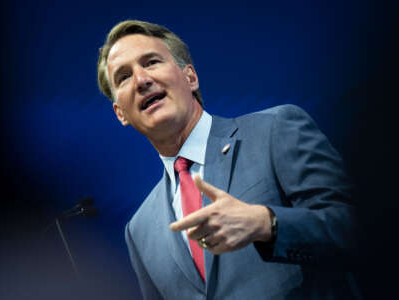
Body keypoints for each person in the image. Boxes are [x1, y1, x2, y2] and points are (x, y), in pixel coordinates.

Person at [97, 20, 362, 299]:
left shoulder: (275, 130)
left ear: (190, 77)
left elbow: (357, 231)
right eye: (124, 77)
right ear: (120, 113)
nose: (141, 80)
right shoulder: (139, 230)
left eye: (151, 62)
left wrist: (266, 223)